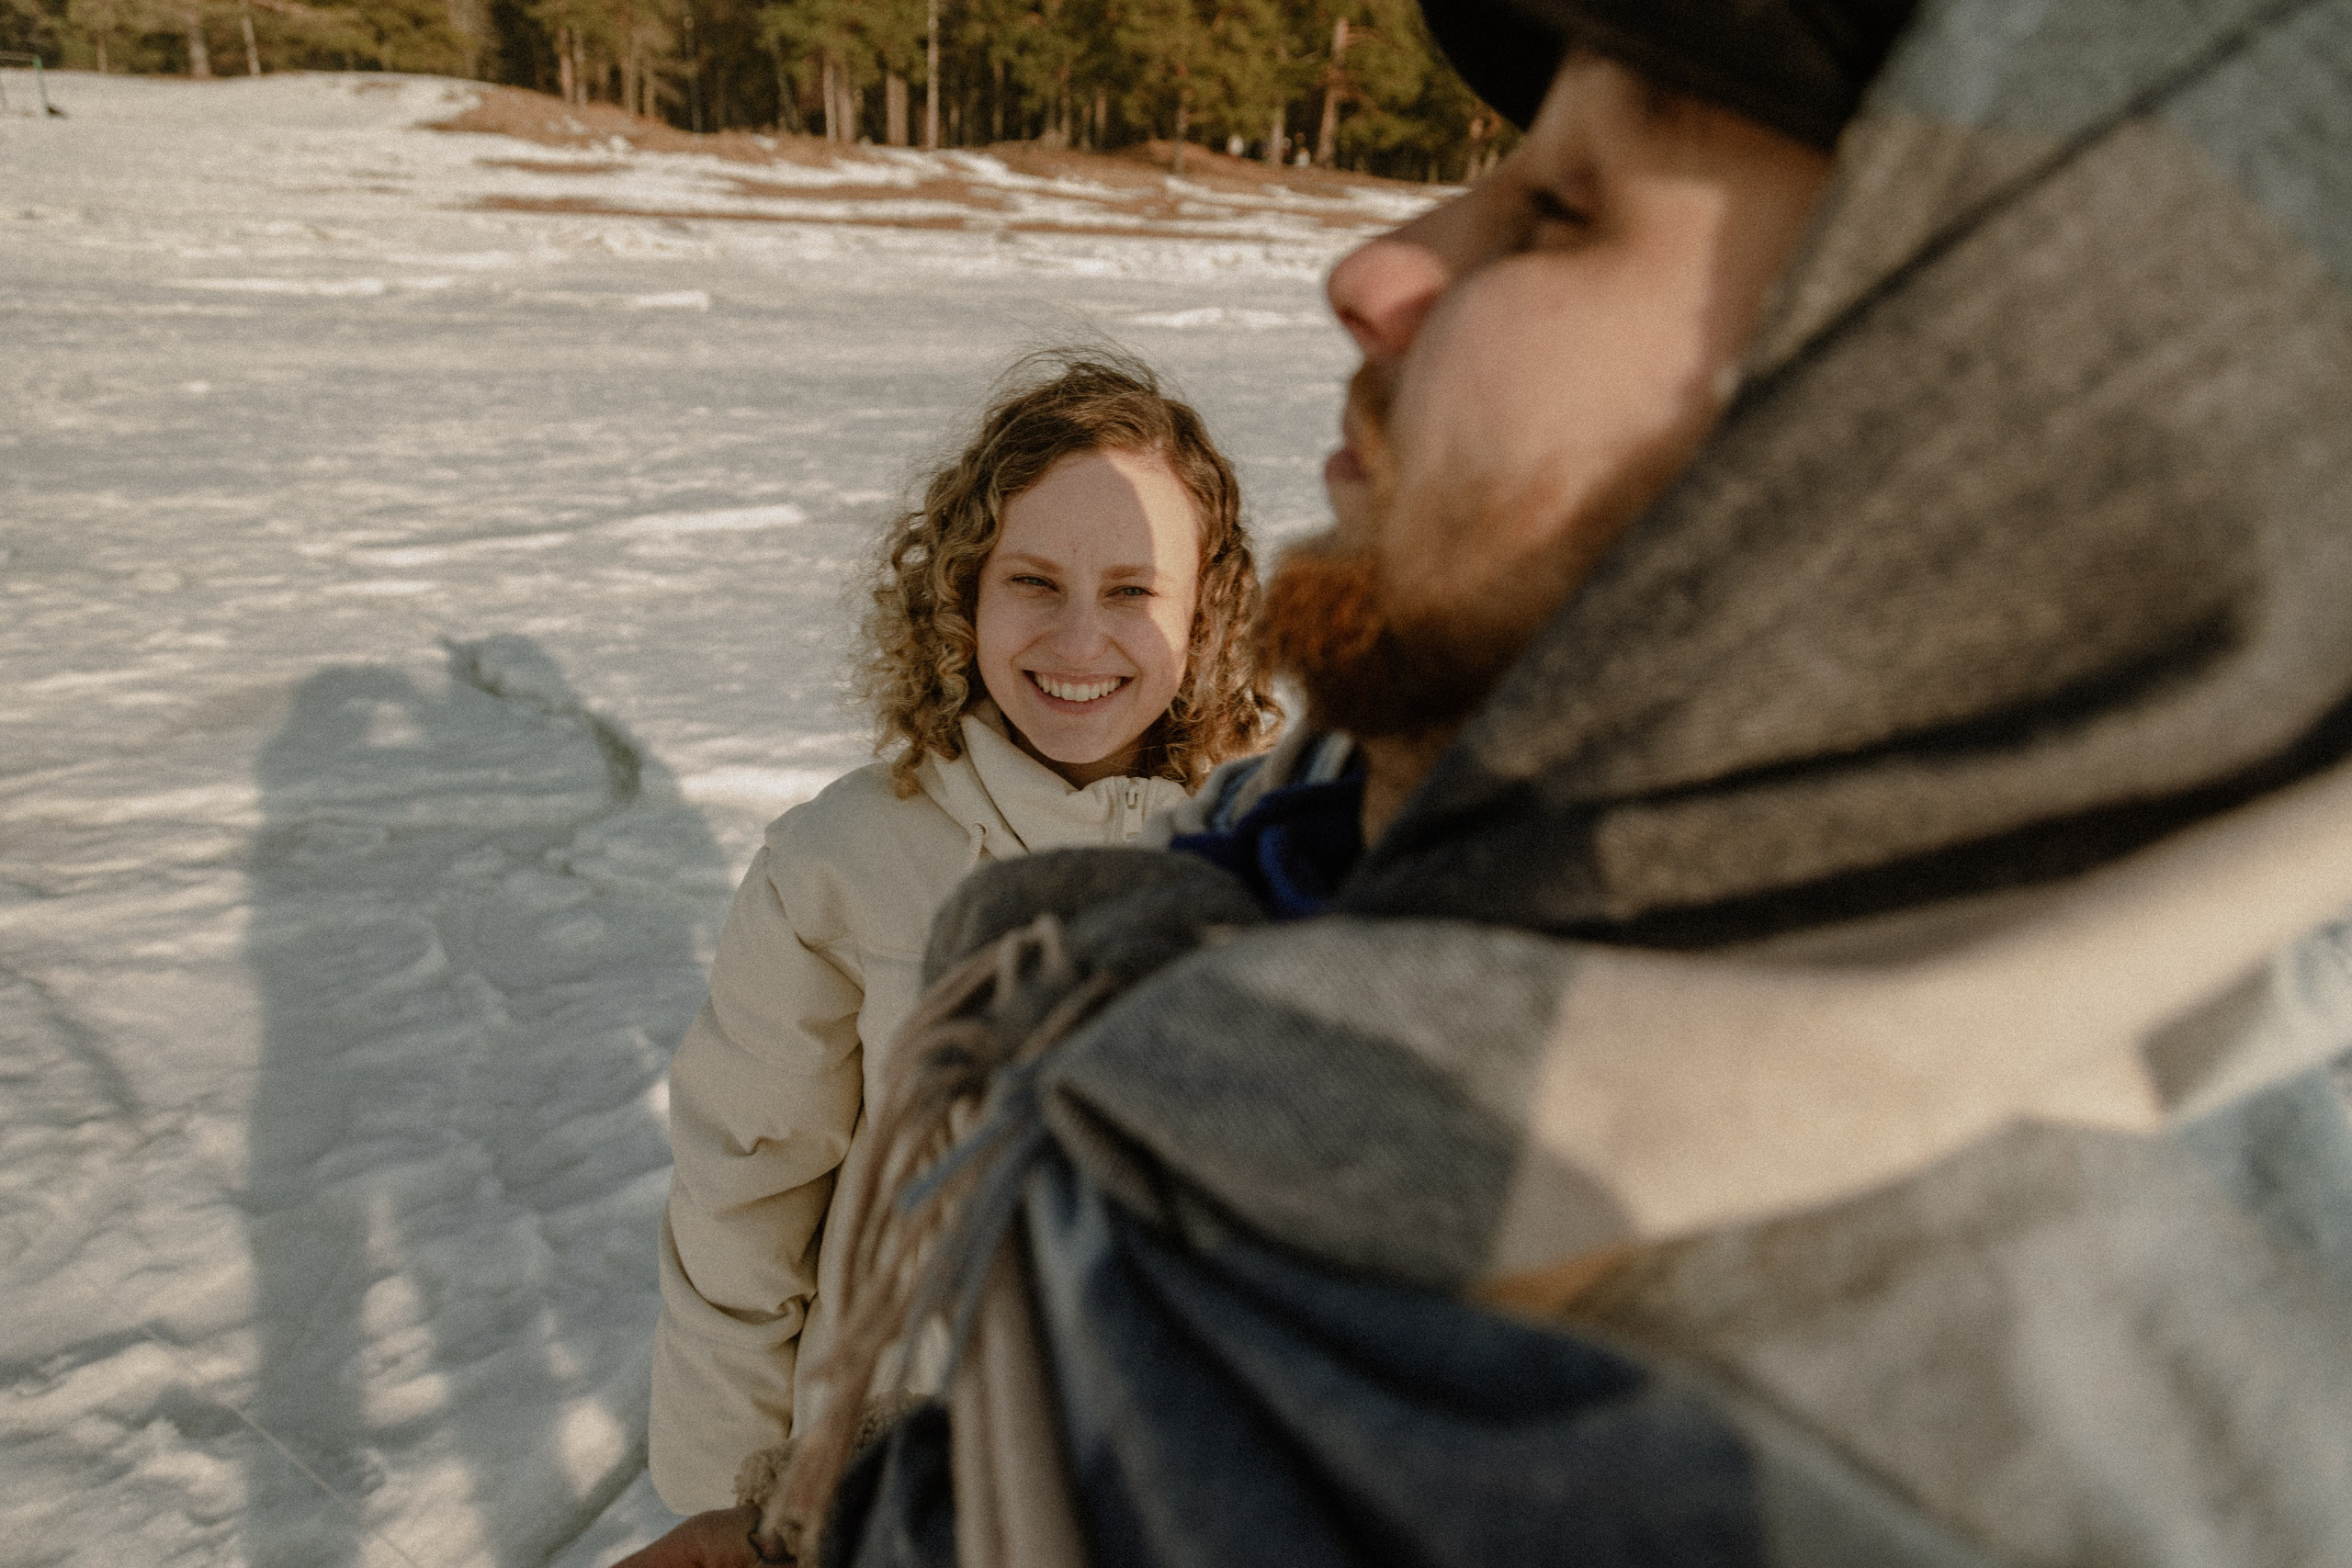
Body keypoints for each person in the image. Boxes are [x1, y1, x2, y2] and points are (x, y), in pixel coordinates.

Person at [644, 0, 2352, 1562]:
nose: (1377, 264)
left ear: (1917, 428)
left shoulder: (1766, 1450)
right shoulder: (1300, 888)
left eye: (1565, 213)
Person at [639, 352, 1277, 1540]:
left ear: (1207, 615)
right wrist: (732, 1495)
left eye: (1134, 591)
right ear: (965, 596)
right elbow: (743, 1189)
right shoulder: (841, 863)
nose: (1080, 640)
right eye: (1033, 580)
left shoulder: (1280, 848)